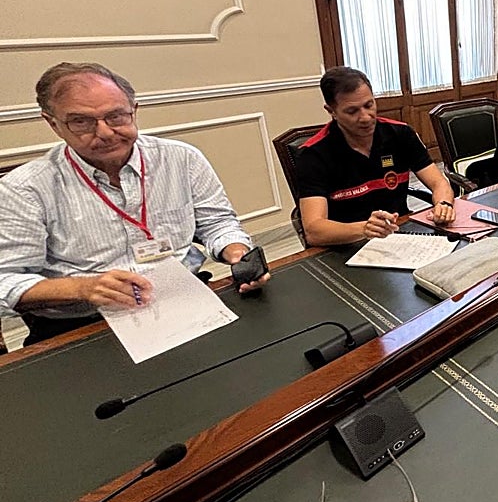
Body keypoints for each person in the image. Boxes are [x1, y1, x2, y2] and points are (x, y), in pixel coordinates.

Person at [0, 63, 268, 345]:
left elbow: (218, 224)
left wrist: (237, 252)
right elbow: (4, 280)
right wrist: (83, 287)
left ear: (134, 110)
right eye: (81, 122)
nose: (104, 132)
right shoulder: (25, 189)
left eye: (116, 116)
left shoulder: (182, 159)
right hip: (85, 326)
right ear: (53, 124)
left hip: (184, 301)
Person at [294, 67, 456, 246]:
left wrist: (444, 205)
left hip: (400, 236)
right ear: (331, 111)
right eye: (352, 111)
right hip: (347, 244)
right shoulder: (313, 154)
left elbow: (438, 183)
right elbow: (314, 230)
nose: (365, 117)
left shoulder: (401, 134)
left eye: (369, 105)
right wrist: (364, 228)